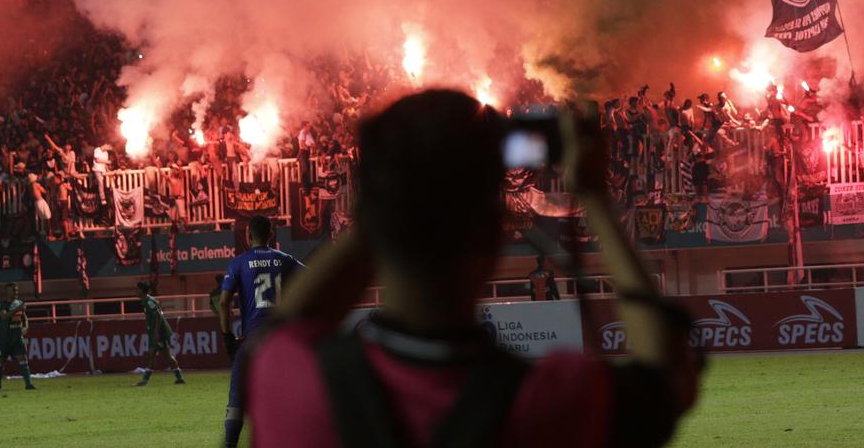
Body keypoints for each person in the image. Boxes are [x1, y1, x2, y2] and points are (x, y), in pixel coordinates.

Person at [245, 90, 701, 448]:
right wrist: (594, 196)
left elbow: (292, 320)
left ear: (372, 221)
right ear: (493, 234)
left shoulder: (290, 379)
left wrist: (391, 191)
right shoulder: (551, 403)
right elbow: (665, 378)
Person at [217, 215, 305, 447]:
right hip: (281, 343)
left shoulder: (238, 263)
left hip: (252, 341)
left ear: (248, 236)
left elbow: (224, 303)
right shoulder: (284, 260)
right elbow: (312, 279)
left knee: (237, 399)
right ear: (271, 234)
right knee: (288, 398)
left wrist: (227, 337)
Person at [134, 281, 185, 386]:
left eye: (137, 289)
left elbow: (158, 315)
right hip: (157, 331)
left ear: (142, 290)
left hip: (158, 332)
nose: (136, 291)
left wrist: (156, 332)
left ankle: (144, 380)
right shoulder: (148, 300)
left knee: (152, 354)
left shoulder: (149, 302)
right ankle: (179, 377)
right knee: (166, 355)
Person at [0, 283, 36, 391]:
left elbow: (24, 317)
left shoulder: (20, 303)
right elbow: (4, 316)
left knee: (23, 359)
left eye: (17, 290)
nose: (16, 292)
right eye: (13, 290)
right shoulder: (3, 304)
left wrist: (26, 327)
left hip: (17, 337)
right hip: (5, 338)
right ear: (7, 292)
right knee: (1, 361)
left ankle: (28, 384)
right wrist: (18, 309)